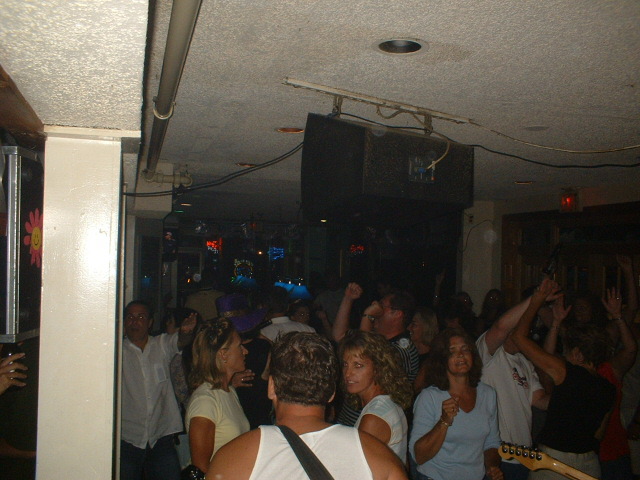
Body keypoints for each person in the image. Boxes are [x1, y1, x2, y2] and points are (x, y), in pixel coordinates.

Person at [208, 332, 408, 480]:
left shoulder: (231, 459)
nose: (349, 373)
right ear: (331, 393)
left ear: (272, 387)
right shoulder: (378, 457)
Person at [509, 278, 616, 480]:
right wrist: (556, 323)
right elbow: (599, 434)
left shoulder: (569, 373)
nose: (564, 356)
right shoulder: (609, 389)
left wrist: (536, 301)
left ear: (577, 354)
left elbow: (519, 338)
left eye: (567, 351)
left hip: (555, 462)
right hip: (589, 463)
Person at [410, 328, 503, 480]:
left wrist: (492, 466)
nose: (460, 355)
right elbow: (419, 456)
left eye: (465, 349)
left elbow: (492, 442)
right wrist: (444, 421)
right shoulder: (429, 397)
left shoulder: (488, 394)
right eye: (452, 351)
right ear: (442, 360)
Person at [476, 293, 550, 480]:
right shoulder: (490, 354)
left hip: (523, 456)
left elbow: (540, 400)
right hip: (496, 456)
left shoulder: (525, 362)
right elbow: (500, 327)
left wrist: (572, 394)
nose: (526, 333)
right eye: (521, 327)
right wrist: (537, 297)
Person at [120, 300, 196, 480]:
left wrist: (186, 331)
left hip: (161, 436)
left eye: (141, 317)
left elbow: (179, 341)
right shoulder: (117, 350)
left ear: (150, 322)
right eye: (130, 317)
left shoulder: (160, 344)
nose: (135, 322)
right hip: (127, 437)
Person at [333, 283, 420, 426]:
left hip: (373, 422)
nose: (376, 307)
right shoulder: (374, 337)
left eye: (381, 306)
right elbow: (339, 335)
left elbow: (366, 356)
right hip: (348, 422)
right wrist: (348, 299)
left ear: (397, 313)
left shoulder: (404, 349)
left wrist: (368, 315)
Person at [184, 319, 250, 474]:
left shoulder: (229, 391)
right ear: (223, 354)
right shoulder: (205, 401)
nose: (245, 351)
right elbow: (200, 469)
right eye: (239, 346)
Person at [339, 330, 413, 462]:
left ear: (378, 368)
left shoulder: (374, 418)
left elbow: (356, 468)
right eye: (345, 364)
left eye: (358, 365)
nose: (348, 373)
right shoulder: (387, 402)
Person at [408, 307, 439, 393]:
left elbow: (417, 388)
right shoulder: (408, 354)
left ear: (426, 327)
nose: (409, 328)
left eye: (414, 324)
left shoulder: (433, 359)